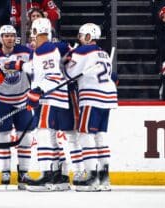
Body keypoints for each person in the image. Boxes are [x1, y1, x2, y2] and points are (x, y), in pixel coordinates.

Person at [5, 18, 70, 191]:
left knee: (44, 134)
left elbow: (53, 76)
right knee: (51, 136)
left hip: (50, 98)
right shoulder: (43, 50)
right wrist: (20, 65)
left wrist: (38, 90)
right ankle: (58, 176)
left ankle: (46, 176)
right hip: (55, 98)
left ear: (34, 32)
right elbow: (37, 70)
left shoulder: (45, 49)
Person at [0, 25, 34, 190]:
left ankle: (23, 171)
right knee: (3, 137)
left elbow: (36, 70)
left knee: (25, 137)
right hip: (1, 102)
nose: (9, 38)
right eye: (6, 36)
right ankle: (5, 171)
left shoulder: (26, 53)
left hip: (23, 100)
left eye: (12, 35)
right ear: (1, 38)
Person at [65, 23, 118, 192]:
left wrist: (65, 61)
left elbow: (69, 75)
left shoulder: (82, 51)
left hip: (92, 97)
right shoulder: (103, 52)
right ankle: (104, 177)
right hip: (108, 97)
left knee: (84, 135)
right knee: (99, 136)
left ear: (88, 36)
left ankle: (91, 175)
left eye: (81, 36)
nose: (79, 39)